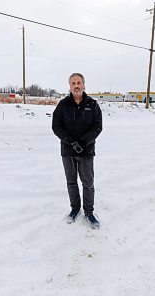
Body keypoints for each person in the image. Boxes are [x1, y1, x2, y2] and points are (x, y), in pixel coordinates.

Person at [52, 73, 103, 229]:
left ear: (84, 85)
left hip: (86, 151)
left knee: (88, 183)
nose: (76, 85)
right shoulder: (63, 105)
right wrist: (71, 141)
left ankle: (89, 212)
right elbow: (56, 126)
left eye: (79, 82)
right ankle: (75, 209)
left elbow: (97, 127)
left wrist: (82, 141)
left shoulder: (93, 105)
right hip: (67, 151)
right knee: (71, 183)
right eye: (73, 83)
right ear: (70, 86)